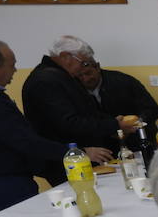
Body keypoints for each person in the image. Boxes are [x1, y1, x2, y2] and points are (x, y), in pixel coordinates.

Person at [0, 40, 106, 211]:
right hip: (9, 180)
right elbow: (26, 140)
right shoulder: (45, 80)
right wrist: (78, 153)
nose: (15, 70)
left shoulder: (60, 77)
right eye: (12, 65)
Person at [20, 35, 139, 183]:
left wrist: (113, 124)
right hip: (66, 160)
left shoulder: (62, 76)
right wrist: (114, 125)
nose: (83, 69)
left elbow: (86, 111)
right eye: (83, 63)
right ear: (65, 57)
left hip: (82, 155)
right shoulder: (45, 81)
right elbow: (69, 122)